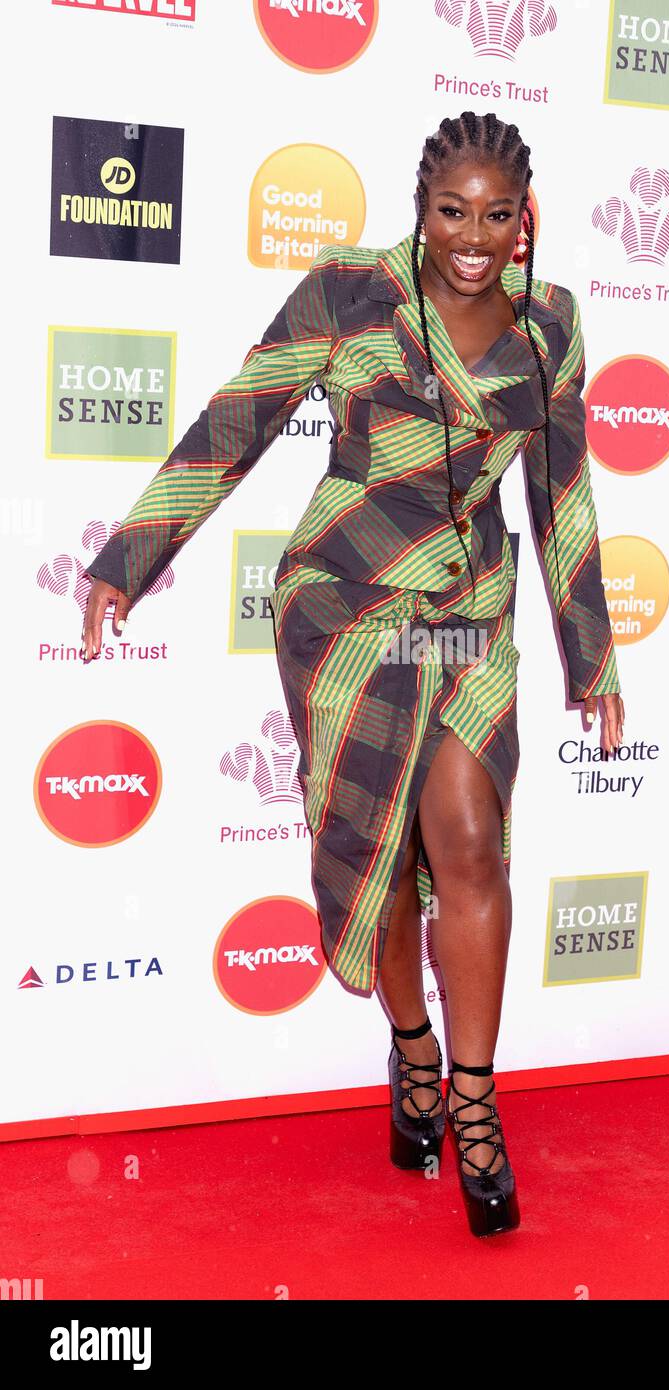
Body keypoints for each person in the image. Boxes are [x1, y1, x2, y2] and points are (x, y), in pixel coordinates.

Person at [81, 111, 625, 1238]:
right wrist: (130, 557)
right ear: (418, 205)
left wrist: (592, 653)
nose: (471, 239)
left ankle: (472, 1102)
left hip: (467, 607)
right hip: (348, 605)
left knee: (469, 838)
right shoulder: (349, 294)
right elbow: (236, 422)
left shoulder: (550, 329)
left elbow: (560, 499)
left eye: (494, 217)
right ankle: (411, 1047)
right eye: (449, 213)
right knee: (379, 841)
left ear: (524, 219)